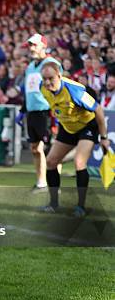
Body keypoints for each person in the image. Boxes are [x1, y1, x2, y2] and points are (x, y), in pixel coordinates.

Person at [39, 62, 111, 217]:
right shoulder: (42, 88)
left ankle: (81, 207)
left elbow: (98, 109)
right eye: (44, 79)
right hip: (67, 127)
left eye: (50, 78)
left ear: (59, 75)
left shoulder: (74, 90)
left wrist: (104, 137)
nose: (47, 82)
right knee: (51, 162)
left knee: (79, 162)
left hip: (87, 126)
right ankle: (53, 204)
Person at [15, 34, 61, 193]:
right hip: (32, 112)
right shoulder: (30, 67)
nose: (32, 48)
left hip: (47, 111)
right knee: (35, 148)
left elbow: (59, 87)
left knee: (51, 149)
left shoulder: (52, 63)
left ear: (43, 46)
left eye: (34, 45)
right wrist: (23, 110)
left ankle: (55, 185)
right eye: (30, 46)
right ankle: (41, 182)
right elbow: (29, 91)